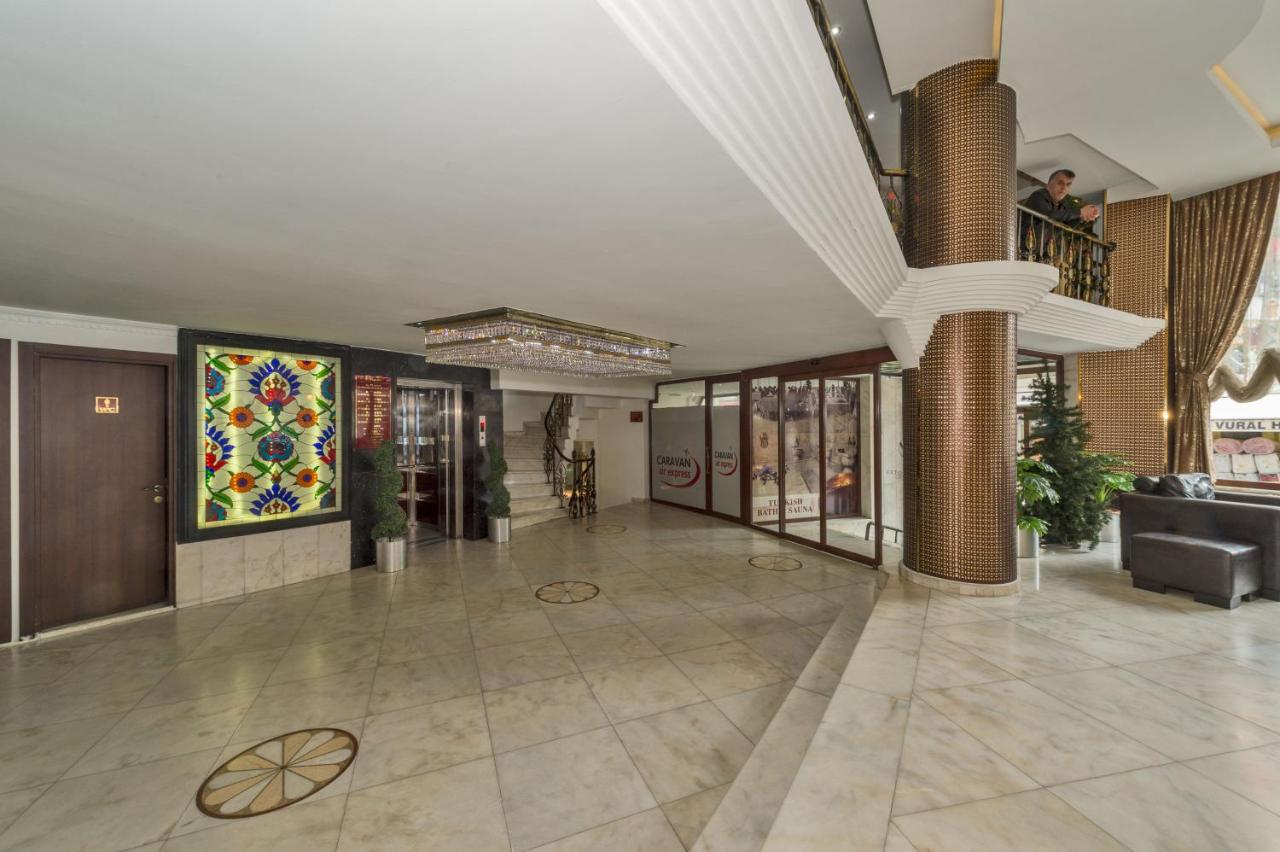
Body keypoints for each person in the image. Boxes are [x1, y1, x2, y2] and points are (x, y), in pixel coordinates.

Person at [1024, 168, 1099, 229]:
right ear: (1049, 184)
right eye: (1060, 183)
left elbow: (1067, 226)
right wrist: (1080, 212)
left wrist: (1082, 216)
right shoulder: (1039, 195)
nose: (1064, 188)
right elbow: (1049, 216)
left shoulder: (1063, 204)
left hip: (1047, 243)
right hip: (1024, 242)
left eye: (1068, 185)